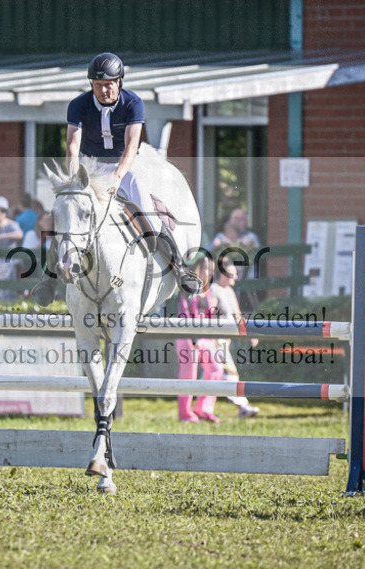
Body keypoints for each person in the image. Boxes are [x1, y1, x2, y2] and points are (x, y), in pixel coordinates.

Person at [31, 52, 201, 306]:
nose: (104, 90)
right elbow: (72, 145)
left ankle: (180, 269)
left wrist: (118, 176)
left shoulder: (133, 103)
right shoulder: (78, 104)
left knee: (146, 211)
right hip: (91, 165)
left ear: (119, 81)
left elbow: (133, 145)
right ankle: (49, 279)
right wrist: (76, 177)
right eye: (98, 85)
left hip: (127, 166)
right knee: (70, 215)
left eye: (109, 84)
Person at [208, 254, 260, 418]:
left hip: (225, 339)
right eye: (232, 273)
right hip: (216, 339)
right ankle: (243, 407)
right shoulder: (214, 289)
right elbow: (209, 313)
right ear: (223, 274)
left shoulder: (229, 290)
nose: (236, 277)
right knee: (230, 372)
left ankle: (204, 409)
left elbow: (237, 314)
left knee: (213, 375)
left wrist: (249, 332)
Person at [175, 257, 222, 422]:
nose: (210, 273)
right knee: (189, 375)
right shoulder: (187, 287)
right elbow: (184, 312)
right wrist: (193, 337)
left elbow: (210, 315)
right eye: (207, 269)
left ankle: (204, 408)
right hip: (187, 336)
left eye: (212, 270)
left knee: (216, 369)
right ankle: (185, 413)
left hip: (205, 336)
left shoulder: (207, 290)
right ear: (199, 269)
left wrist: (214, 336)